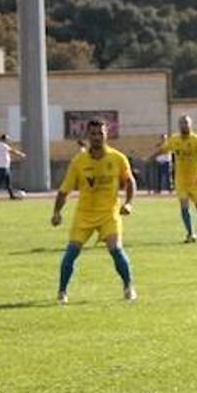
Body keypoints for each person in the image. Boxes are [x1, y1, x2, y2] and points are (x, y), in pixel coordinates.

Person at [51, 117, 137, 304]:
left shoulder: (117, 158)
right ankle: (62, 292)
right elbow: (64, 189)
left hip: (108, 214)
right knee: (71, 253)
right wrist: (57, 212)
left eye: (100, 133)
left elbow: (130, 181)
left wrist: (129, 203)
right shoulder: (79, 161)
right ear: (88, 136)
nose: (97, 137)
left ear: (106, 135)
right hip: (84, 214)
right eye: (93, 134)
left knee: (116, 250)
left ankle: (128, 287)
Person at [158, 115, 197, 243]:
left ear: (191, 125)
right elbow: (163, 149)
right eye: (181, 123)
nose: (184, 125)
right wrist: (150, 157)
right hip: (181, 179)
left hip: (196, 179)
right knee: (184, 207)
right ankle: (190, 234)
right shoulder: (175, 139)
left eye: (186, 123)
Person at [0, 133, 26, 200]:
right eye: (7, 139)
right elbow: (12, 151)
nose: (8, 140)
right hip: (3, 167)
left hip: (4, 166)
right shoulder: (3, 145)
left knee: (8, 182)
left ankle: (11, 195)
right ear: (4, 139)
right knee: (0, 181)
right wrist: (21, 154)